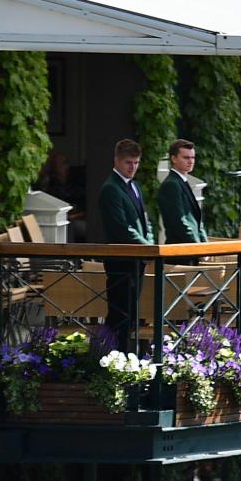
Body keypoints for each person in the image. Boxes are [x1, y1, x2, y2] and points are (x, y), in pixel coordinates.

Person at [93, 137, 156, 344]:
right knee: (120, 313)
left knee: (130, 313)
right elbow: (121, 229)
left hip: (136, 259)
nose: (133, 167)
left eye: (136, 162)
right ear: (117, 160)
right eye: (128, 162)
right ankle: (111, 356)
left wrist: (149, 243)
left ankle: (124, 357)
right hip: (121, 261)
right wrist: (146, 248)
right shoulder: (111, 188)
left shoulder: (134, 186)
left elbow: (144, 220)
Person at [159, 137, 206, 243]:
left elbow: (197, 221)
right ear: (174, 159)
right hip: (180, 251)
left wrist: (203, 244)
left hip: (190, 251)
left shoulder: (182, 181)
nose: (191, 161)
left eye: (193, 157)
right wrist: (197, 246)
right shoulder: (171, 184)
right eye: (186, 158)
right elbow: (179, 222)